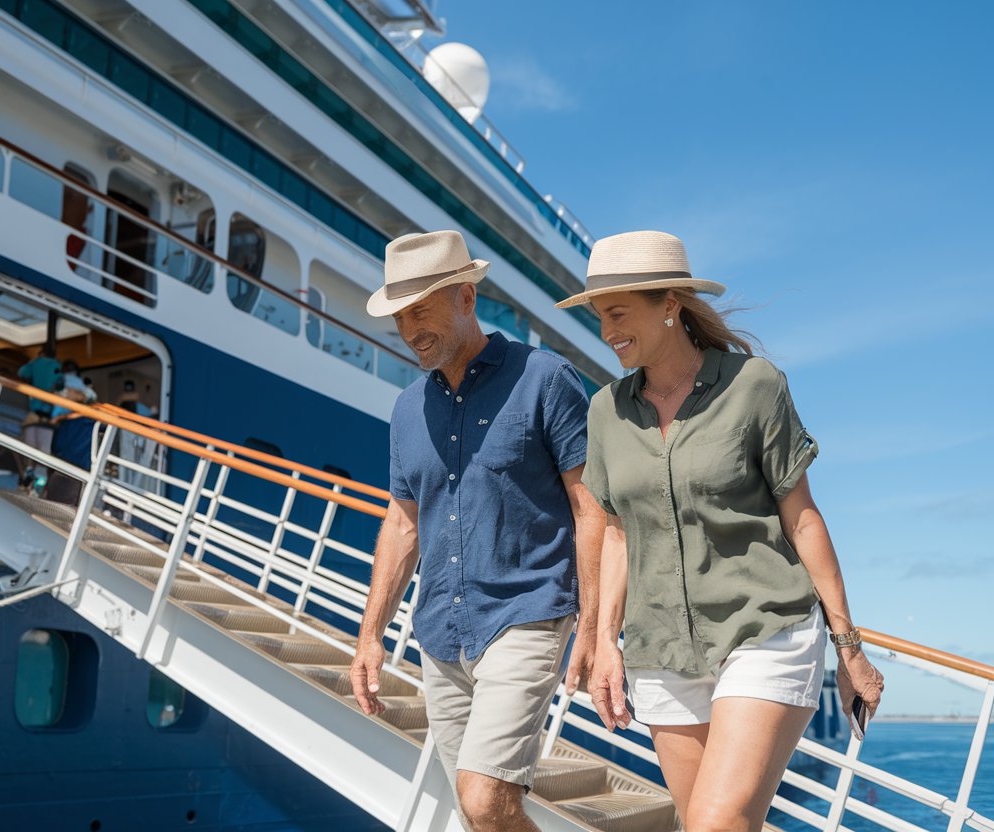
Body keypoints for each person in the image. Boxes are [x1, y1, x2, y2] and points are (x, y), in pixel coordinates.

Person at [561, 231, 884, 831]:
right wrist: (605, 641)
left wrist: (849, 647)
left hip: (764, 630)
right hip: (658, 649)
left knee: (716, 821)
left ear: (669, 305)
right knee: (700, 822)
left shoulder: (754, 385)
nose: (607, 333)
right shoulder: (606, 410)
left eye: (617, 314)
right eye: (600, 318)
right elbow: (615, 535)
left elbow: (804, 518)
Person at [350, 230, 604, 832]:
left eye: (420, 311)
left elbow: (593, 509)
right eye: (400, 317)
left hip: (527, 612)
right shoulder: (407, 409)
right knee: (478, 815)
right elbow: (403, 523)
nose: (410, 330)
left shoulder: (544, 378)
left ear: (465, 297)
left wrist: (593, 627)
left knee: (485, 798)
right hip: (440, 632)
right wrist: (369, 635)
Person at [17, 345, 64, 492]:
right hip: (48, 418)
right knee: (44, 451)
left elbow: (21, 372)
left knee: (29, 449)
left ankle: (27, 478)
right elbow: (61, 384)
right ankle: (40, 484)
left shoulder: (35, 363)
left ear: (40, 353)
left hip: (33, 415)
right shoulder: (56, 366)